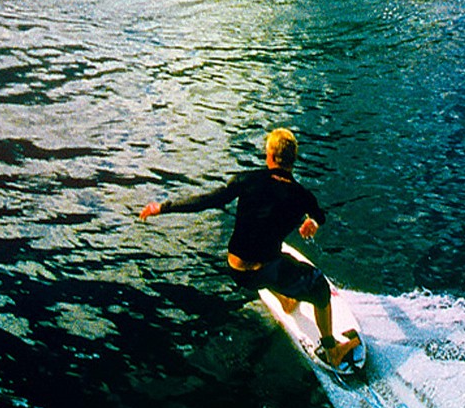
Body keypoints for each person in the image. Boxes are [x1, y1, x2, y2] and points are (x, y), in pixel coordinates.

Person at [139, 127, 359, 368]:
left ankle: (286, 300)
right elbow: (319, 215)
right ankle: (332, 350)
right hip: (267, 270)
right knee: (320, 287)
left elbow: (207, 201)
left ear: (270, 156)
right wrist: (312, 222)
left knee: (275, 256)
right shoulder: (302, 196)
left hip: (237, 270)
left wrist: (163, 207)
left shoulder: (247, 180)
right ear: (293, 159)